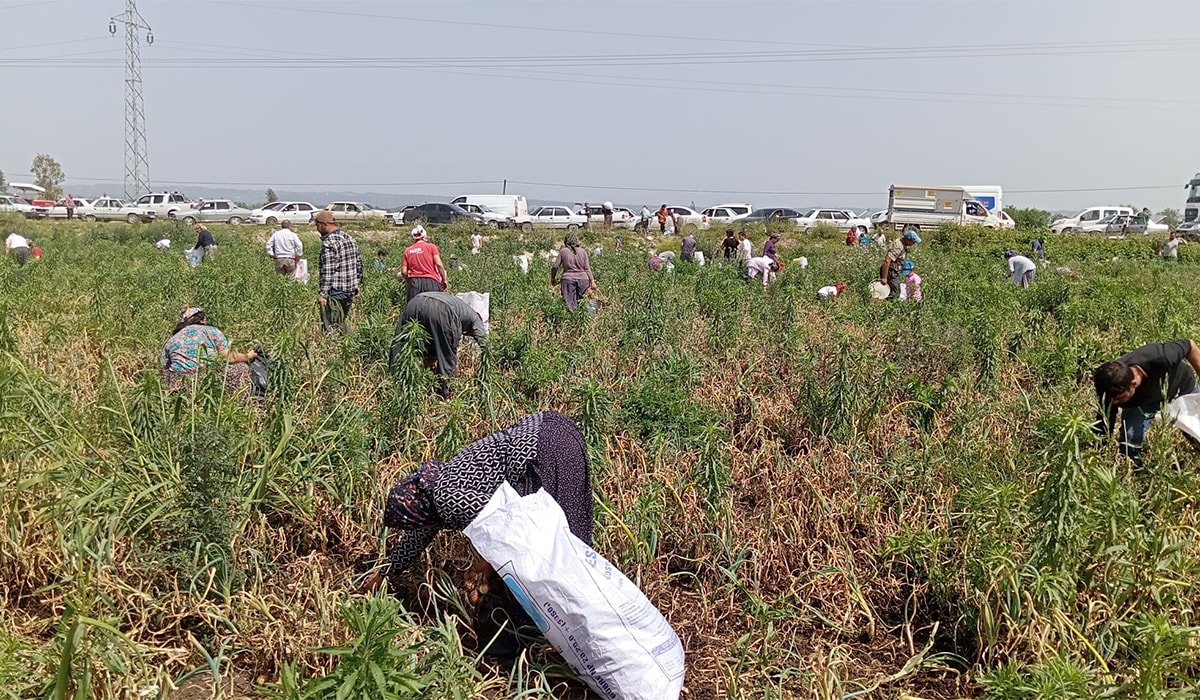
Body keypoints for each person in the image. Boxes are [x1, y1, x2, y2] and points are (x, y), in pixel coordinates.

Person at [359, 411, 593, 650]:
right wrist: (387, 573)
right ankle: (565, 627)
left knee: (549, 553)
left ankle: (535, 638)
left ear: (416, 513)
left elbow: (507, 531)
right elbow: (418, 537)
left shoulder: (445, 498)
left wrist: (489, 565)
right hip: (556, 429)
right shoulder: (437, 486)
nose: (419, 526)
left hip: (545, 451)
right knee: (568, 538)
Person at [1093, 339, 1200, 463]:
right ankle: (1134, 470)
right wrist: (1099, 450)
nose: (1115, 403)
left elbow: (1190, 345)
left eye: (1120, 399)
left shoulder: (1160, 356)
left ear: (1133, 384)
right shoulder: (1109, 386)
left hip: (1180, 389)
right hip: (1142, 404)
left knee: (1196, 431)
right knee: (1130, 442)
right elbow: (1104, 423)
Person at [389, 291, 488, 399]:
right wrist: (489, 358)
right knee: (447, 355)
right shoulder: (475, 317)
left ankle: (394, 384)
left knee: (401, 345)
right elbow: (484, 342)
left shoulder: (460, 307)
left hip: (414, 303)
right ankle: (444, 395)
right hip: (440, 309)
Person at [159, 306, 258, 394]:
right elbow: (230, 358)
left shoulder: (172, 339)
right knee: (242, 367)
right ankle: (238, 399)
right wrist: (248, 356)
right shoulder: (212, 331)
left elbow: (163, 366)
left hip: (177, 382)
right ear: (203, 320)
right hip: (203, 379)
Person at [313, 210, 364, 334]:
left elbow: (328, 270)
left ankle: (348, 345)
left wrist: (323, 294)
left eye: (317, 225)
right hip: (350, 290)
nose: (317, 228)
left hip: (336, 291)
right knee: (341, 321)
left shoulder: (329, 243)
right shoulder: (349, 238)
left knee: (332, 326)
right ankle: (350, 345)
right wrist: (357, 284)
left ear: (325, 224)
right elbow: (359, 264)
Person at [401, 225, 448, 304]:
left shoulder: (407, 251)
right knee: (434, 309)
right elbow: (439, 265)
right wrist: (444, 280)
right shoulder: (432, 247)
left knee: (413, 311)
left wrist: (408, 281)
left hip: (414, 283)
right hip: (431, 282)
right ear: (424, 236)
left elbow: (403, 272)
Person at [550, 232, 596, 311]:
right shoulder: (583, 251)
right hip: (583, 280)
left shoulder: (563, 251)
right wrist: (592, 281)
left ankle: (572, 320)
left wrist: (553, 278)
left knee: (570, 303)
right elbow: (587, 268)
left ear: (566, 241)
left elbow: (555, 266)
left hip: (568, 280)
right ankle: (587, 320)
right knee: (585, 302)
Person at [880, 229, 921, 300]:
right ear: (908, 239)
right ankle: (889, 307)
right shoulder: (898, 246)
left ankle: (887, 304)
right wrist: (884, 277)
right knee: (895, 293)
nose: (913, 243)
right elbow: (887, 260)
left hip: (893, 271)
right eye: (913, 241)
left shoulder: (903, 244)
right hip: (890, 270)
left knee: (892, 291)